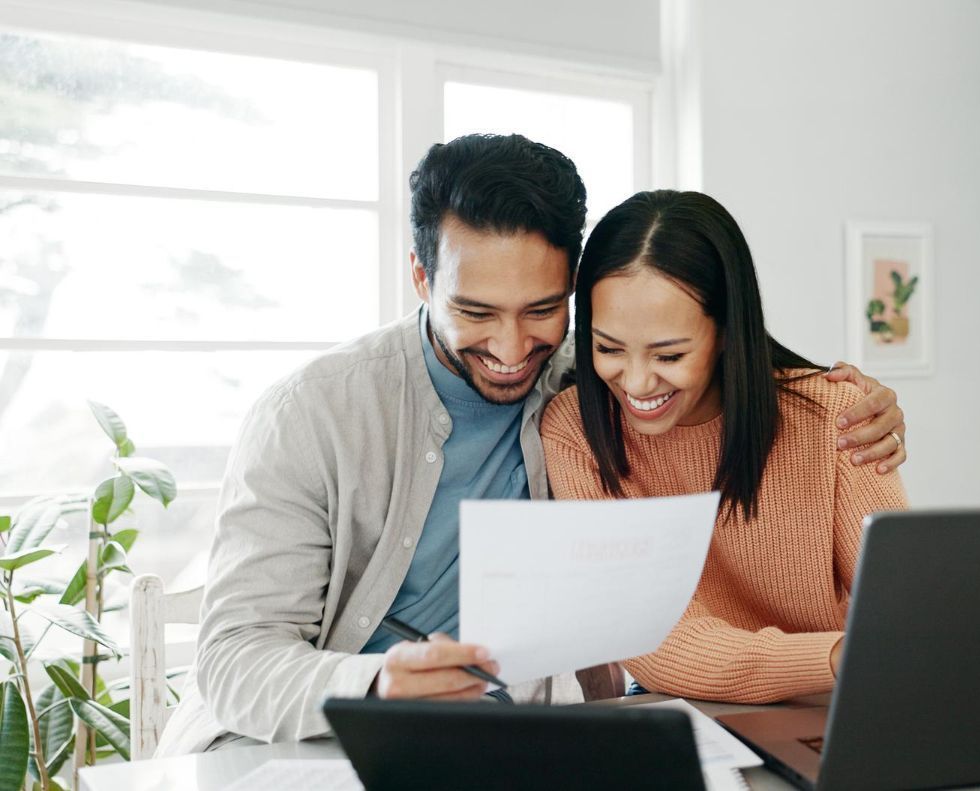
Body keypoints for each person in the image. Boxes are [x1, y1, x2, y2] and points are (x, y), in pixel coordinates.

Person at [155, 134, 908, 756]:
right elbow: (233, 662)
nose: (515, 348)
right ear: (421, 277)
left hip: (511, 744)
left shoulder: (591, 383)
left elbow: (708, 362)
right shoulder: (313, 413)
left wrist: (854, 399)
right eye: (476, 311)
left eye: (543, 309)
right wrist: (378, 681)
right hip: (306, 743)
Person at [541, 190, 908, 704]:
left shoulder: (835, 415)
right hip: (698, 707)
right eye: (608, 348)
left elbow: (900, 610)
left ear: (726, 333)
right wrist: (836, 656)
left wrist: (854, 660)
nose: (638, 383)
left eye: (669, 354)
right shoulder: (574, 429)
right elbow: (648, 637)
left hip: (842, 703)